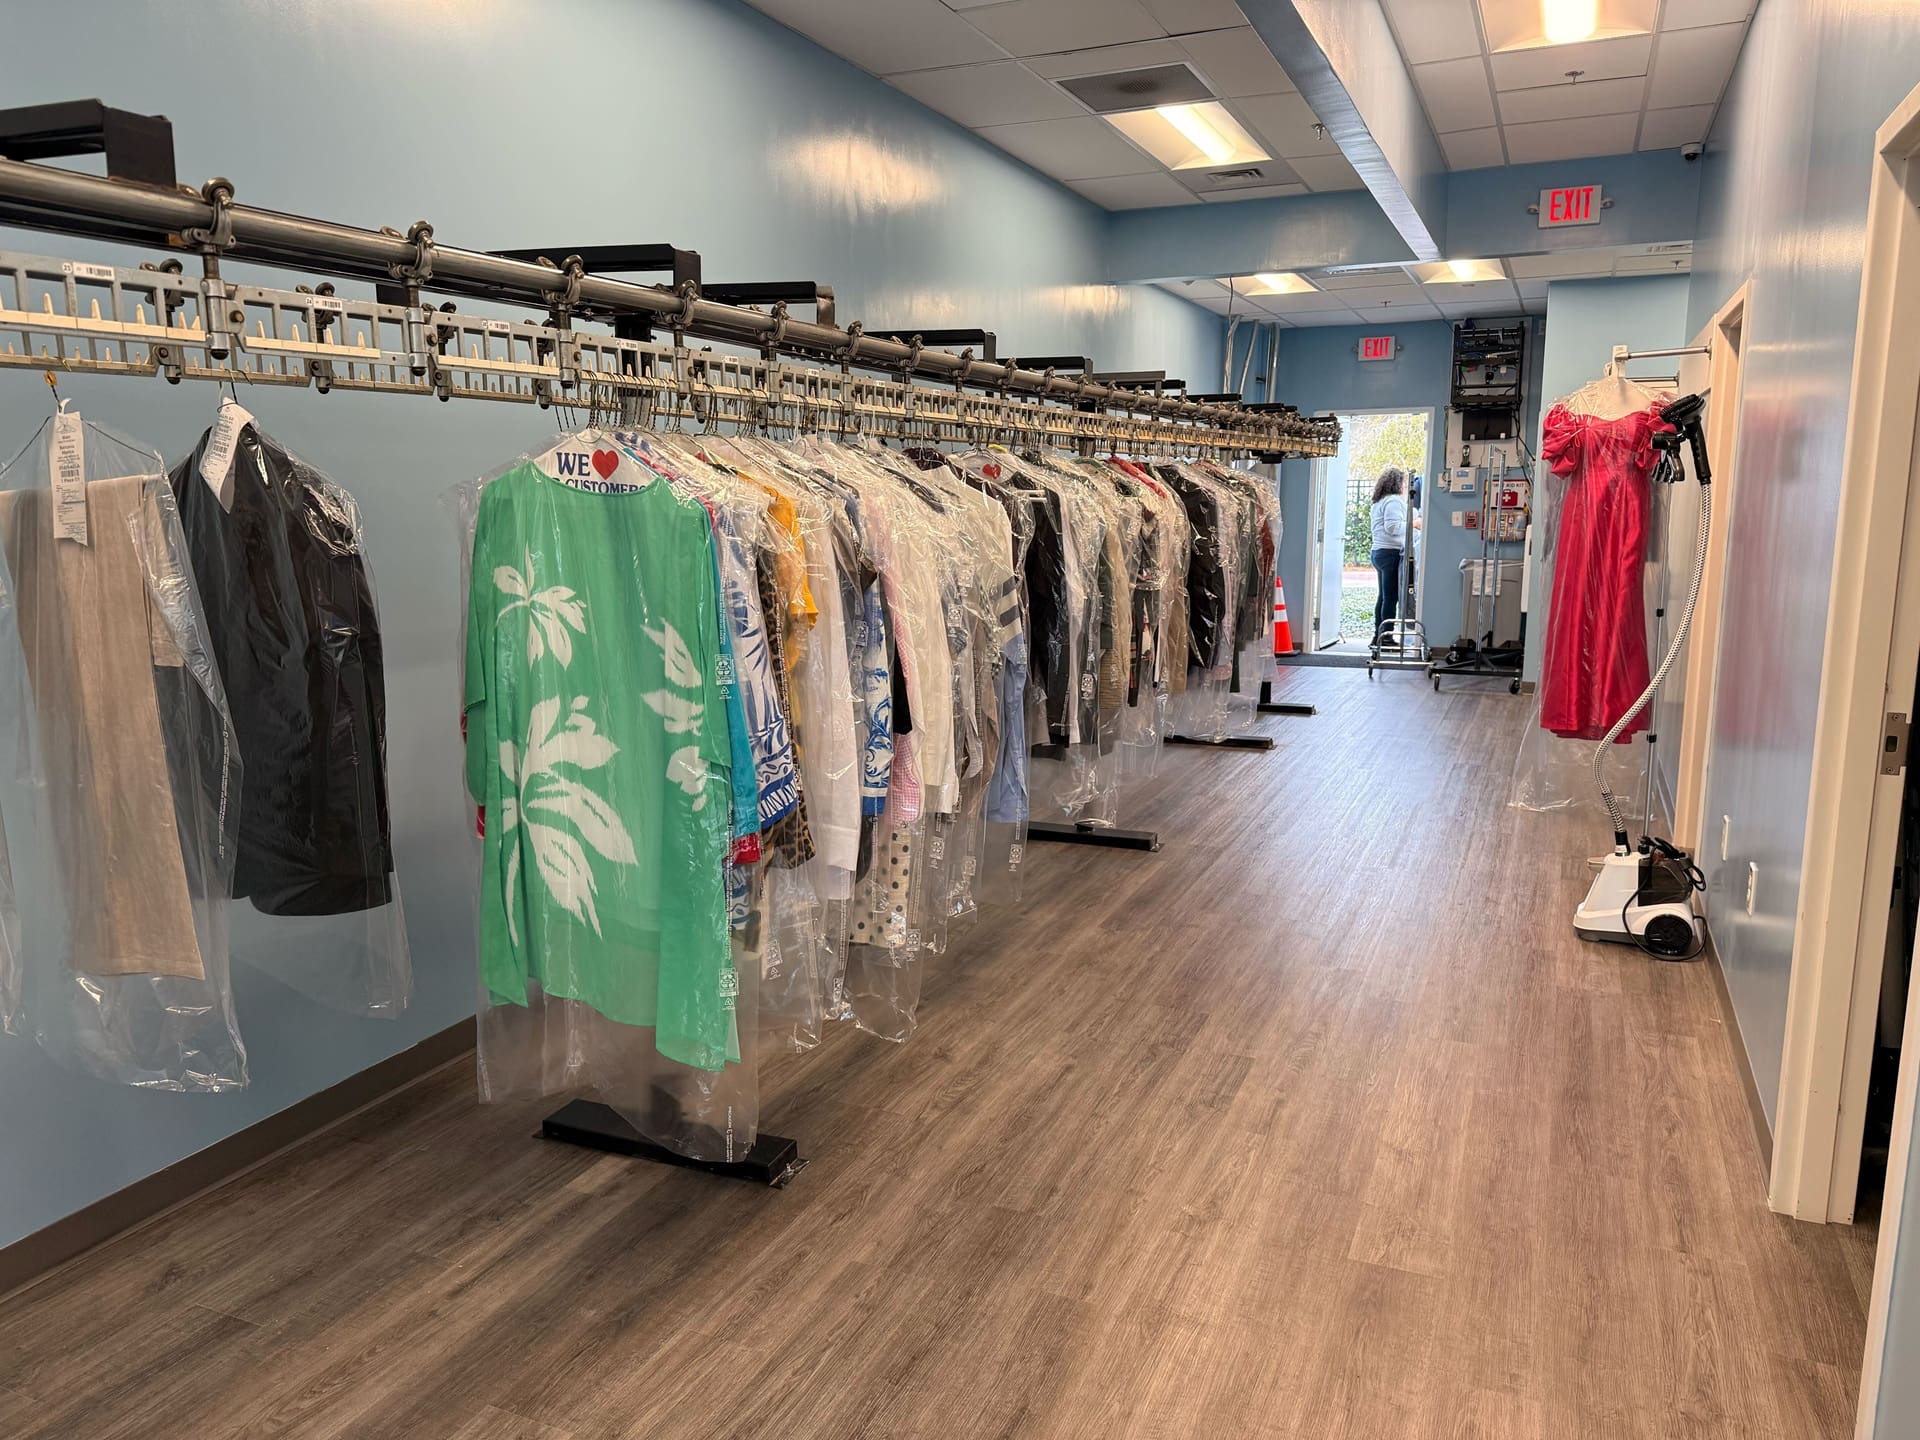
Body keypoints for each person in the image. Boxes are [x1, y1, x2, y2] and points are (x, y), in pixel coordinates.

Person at [1370, 467, 1409, 649]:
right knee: (1391, 597)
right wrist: (1414, 524)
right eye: (1404, 483)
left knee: (1383, 596)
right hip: (1390, 553)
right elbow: (1393, 527)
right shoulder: (1393, 501)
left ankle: (1378, 635)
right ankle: (1386, 638)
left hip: (1379, 552)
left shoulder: (1379, 501)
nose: (1405, 486)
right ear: (1398, 484)